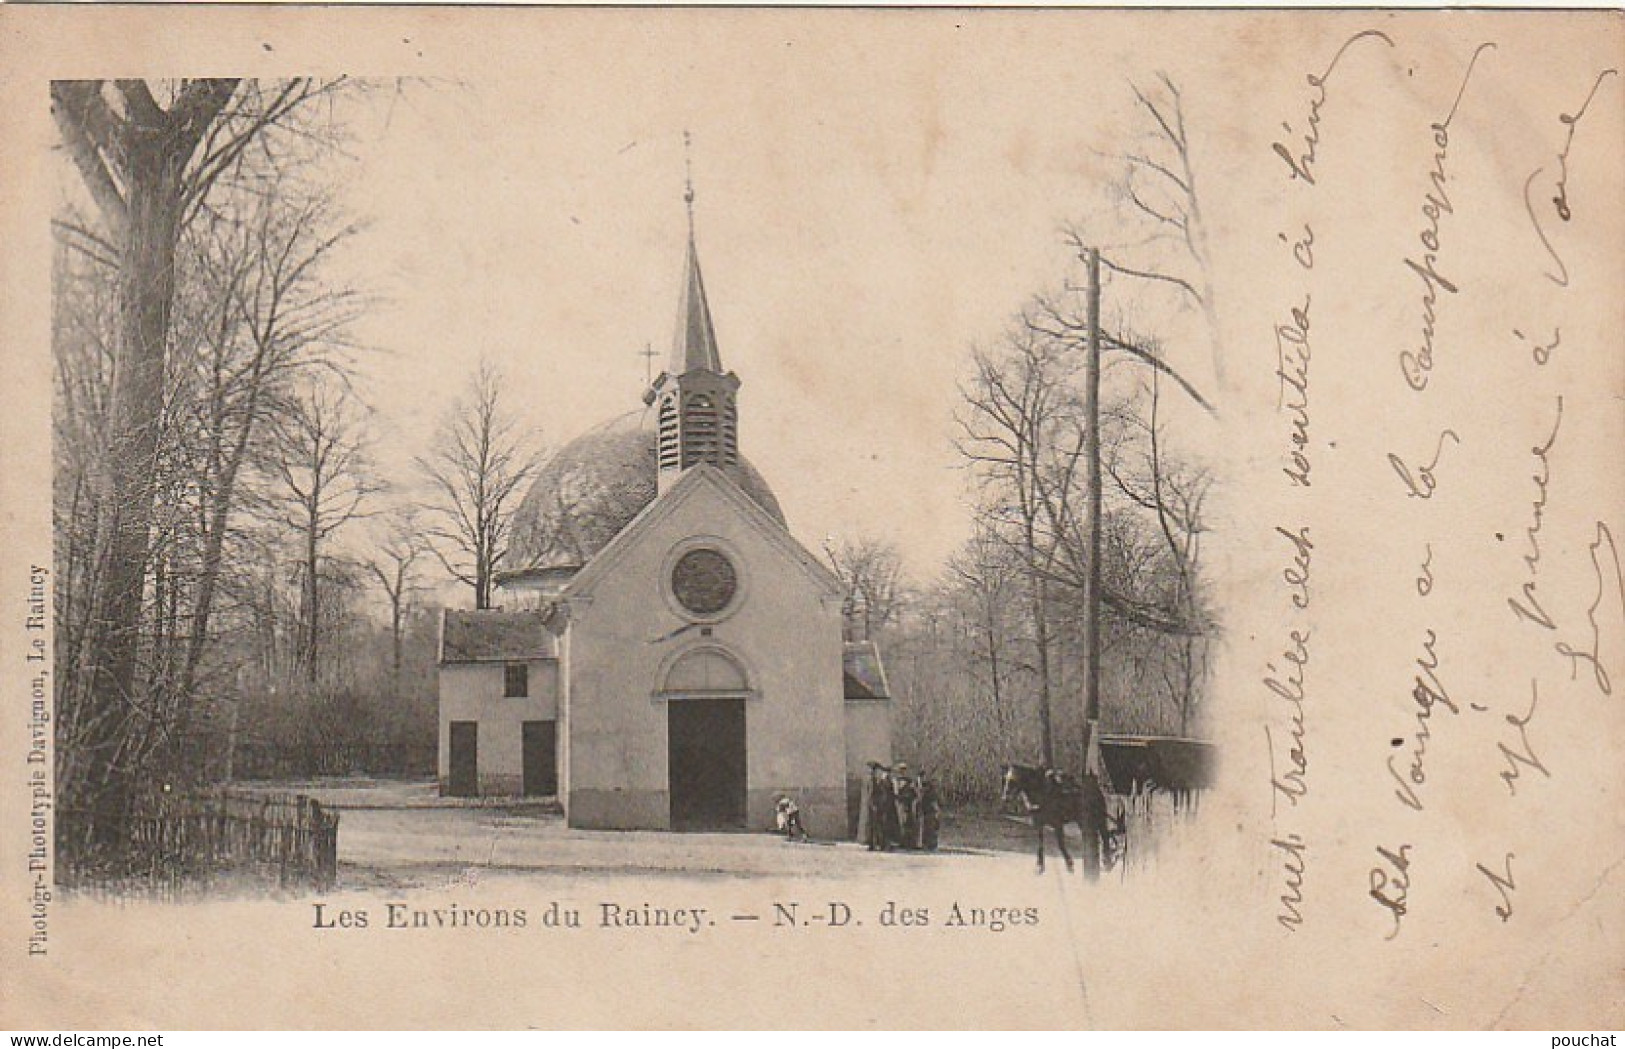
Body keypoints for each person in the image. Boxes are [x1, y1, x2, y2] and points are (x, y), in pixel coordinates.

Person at [893, 763, 920, 849]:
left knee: (909, 822)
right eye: (901, 770)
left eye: (904, 770)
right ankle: (902, 841)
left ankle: (910, 842)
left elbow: (914, 792)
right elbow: (896, 793)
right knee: (902, 822)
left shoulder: (909, 781)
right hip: (900, 803)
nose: (902, 772)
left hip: (908, 803)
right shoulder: (896, 780)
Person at [918, 768, 941, 851]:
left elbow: (935, 802)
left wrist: (937, 810)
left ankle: (930, 844)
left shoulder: (930, 792)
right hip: (928, 811)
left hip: (930, 811)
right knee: (929, 828)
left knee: (930, 828)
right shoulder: (929, 791)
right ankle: (929, 844)